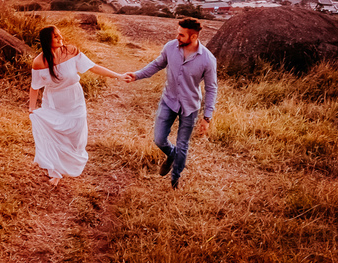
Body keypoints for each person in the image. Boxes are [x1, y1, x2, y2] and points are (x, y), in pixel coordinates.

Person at [123, 18, 217, 189]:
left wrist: (207, 117)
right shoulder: (170, 47)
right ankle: (172, 154)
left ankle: (175, 179)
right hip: (169, 101)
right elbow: (157, 65)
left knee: (183, 145)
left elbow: (211, 88)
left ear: (194, 36)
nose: (177, 37)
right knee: (159, 139)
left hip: (190, 107)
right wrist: (137, 75)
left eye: (181, 35)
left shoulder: (207, 60)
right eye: (177, 33)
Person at [28, 26, 126, 187]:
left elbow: (93, 67)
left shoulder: (71, 51)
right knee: (56, 134)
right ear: (47, 41)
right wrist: (31, 107)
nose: (61, 39)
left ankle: (67, 162)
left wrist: (118, 75)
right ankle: (55, 172)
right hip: (54, 101)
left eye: (60, 35)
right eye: (56, 37)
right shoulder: (39, 62)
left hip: (75, 99)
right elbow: (35, 86)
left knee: (75, 135)